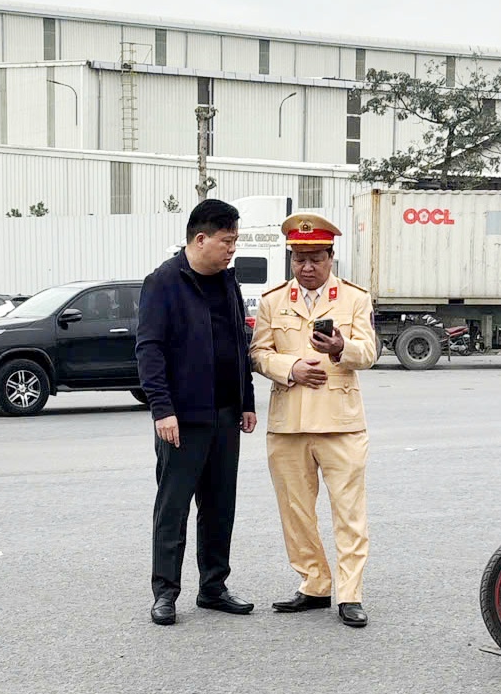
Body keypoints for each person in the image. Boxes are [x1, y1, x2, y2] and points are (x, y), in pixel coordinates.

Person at [249, 212, 378, 628]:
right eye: (299, 258)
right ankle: (314, 584)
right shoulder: (272, 301)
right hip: (288, 424)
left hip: (340, 422)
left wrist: (342, 348)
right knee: (296, 511)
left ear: (331, 257)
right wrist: (290, 368)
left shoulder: (355, 298)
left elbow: (370, 353)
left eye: (315, 258)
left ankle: (351, 593)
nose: (306, 267)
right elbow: (257, 353)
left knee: (349, 512)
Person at [136, 199, 257, 626]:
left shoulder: (227, 281)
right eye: (227, 241)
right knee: (173, 506)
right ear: (200, 238)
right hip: (182, 420)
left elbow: (239, 343)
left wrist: (246, 400)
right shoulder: (163, 282)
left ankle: (214, 587)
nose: (232, 250)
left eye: (235, 241)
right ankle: (165, 593)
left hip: (225, 415)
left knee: (220, 504)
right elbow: (149, 350)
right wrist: (161, 409)